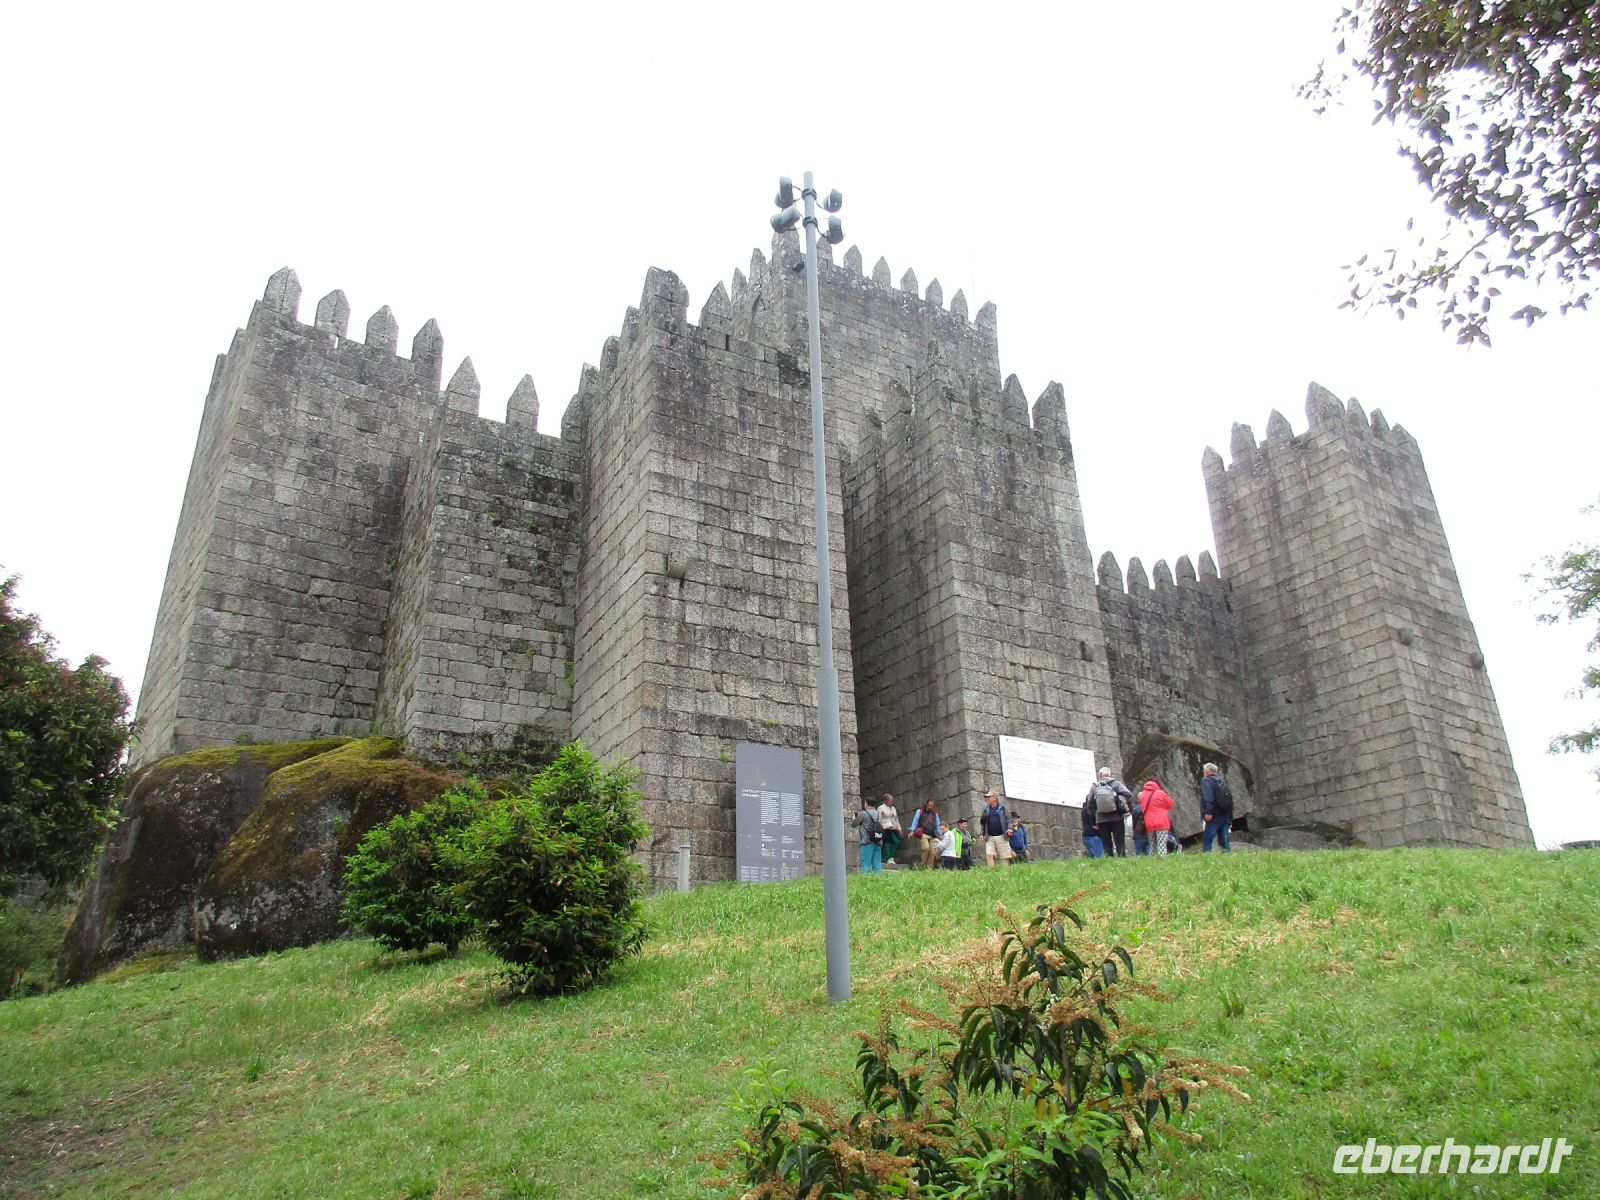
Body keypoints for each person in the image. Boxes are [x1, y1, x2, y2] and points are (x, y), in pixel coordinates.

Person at [1086, 767, 1133, 857]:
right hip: (1116, 817)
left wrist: (1093, 822)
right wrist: (1130, 810)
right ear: (1110, 775)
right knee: (1119, 841)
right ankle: (1122, 860)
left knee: (1106, 843)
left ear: (1100, 775)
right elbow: (1128, 795)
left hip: (1101, 819)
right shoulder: (1115, 784)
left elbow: (1090, 804)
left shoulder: (1095, 786)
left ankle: (1109, 861)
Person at [1201, 763, 1234, 852]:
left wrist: (1208, 812)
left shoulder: (1206, 781)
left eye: (1204, 770)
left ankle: (1206, 857)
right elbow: (1229, 798)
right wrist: (1230, 817)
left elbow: (1208, 797)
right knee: (1224, 838)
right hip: (1224, 814)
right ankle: (1227, 854)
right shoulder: (1221, 781)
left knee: (1207, 838)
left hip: (1214, 814)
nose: (1203, 772)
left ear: (1207, 771)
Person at [1139, 778, 1177, 856]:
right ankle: (1161, 862)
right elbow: (1171, 804)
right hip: (1161, 822)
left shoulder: (1142, 794)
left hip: (1149, 823)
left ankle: (1152, 861)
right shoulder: (1160, 793)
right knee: (1162, 844)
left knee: (1152, 845)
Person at [978, 789, 1013, 867]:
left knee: (1004, 856)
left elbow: (1009, 820)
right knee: (989, 854)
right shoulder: (986, 810)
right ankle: (991, 873)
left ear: (994, 797)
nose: (987, 799)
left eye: (989, 797)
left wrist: (1010, 828)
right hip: (990, 836)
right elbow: (983, 823)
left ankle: (1006, 873)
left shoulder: (1002, 808)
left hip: (1001, 835)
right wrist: (982, 834)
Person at [852, 796, 883, 873]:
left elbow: (854, 824)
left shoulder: (864, 813)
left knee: (866, 865)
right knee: (877, 865)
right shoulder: (878, 814)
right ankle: (878, 882)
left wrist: (854, 818)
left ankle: (867, 882)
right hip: (878, 841)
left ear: (866, 803)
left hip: (867, 841)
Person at [909, 801, 942, 870]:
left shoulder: (934, 814)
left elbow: (937, 825)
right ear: (926, 804)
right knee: (926, 848)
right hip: (923, 833)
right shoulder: (920, 811)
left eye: (932, 806)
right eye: (930, 805)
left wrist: (940, 834)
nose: (931, 807)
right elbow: (915, 820)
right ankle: (922, 866)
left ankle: (929, 868)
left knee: (932, 852)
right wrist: (912, 830)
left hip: (932, 834)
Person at [877, 792, 903, 867]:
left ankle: (892, 857)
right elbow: (878, 818)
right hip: (885, 827)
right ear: (886, 800)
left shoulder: (893, 808)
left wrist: (899, 828)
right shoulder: (881, 808)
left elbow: (896, 819)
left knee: (897, 841)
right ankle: (887, 858)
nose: (891, 802)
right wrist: (880, 827)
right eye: (890, 800)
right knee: (887, 842)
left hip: (893, 827)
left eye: (892, 801)